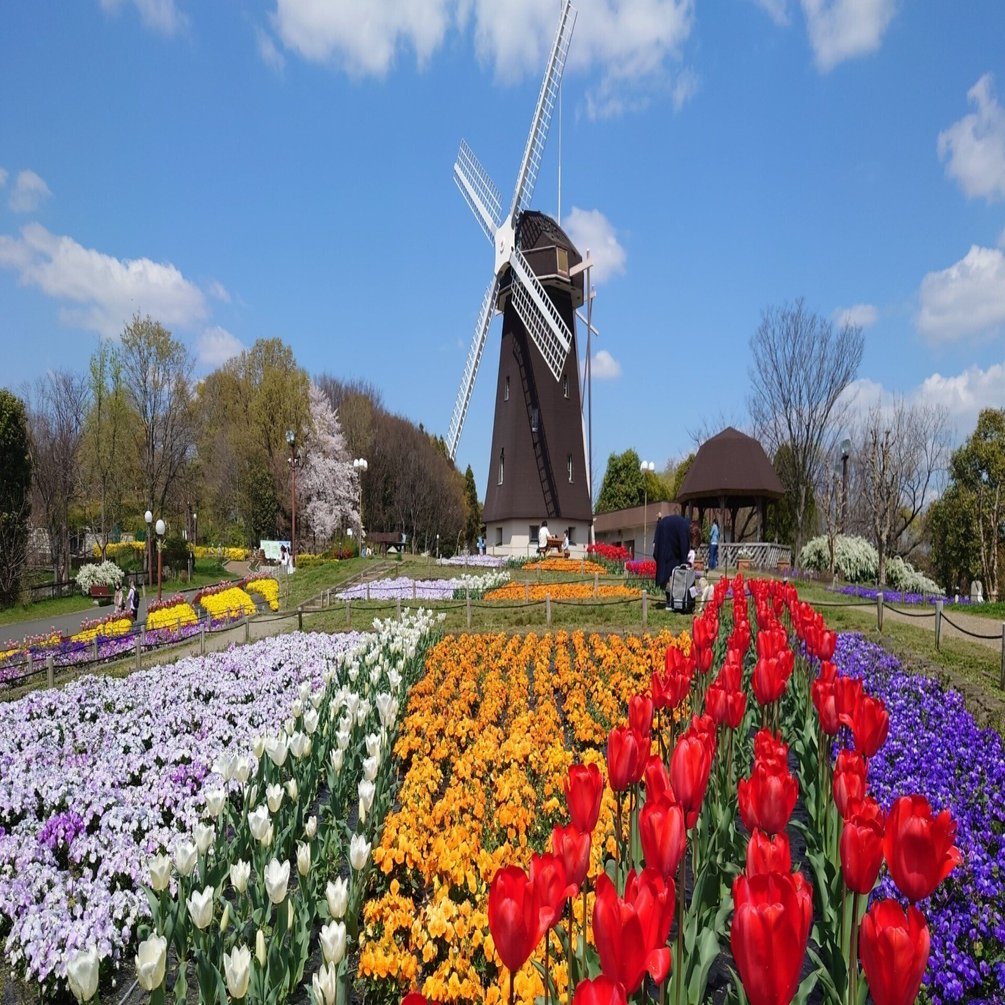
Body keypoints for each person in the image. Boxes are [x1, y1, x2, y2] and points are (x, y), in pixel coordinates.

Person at [653, 513, 690, 590]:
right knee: (671, 566)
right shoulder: (685, 527)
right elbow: (684, 545)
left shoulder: (682, 524)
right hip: (669, 544)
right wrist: (684, 563)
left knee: (663, 562)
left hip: (663, 530)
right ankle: (670, 591)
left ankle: (666, 585)